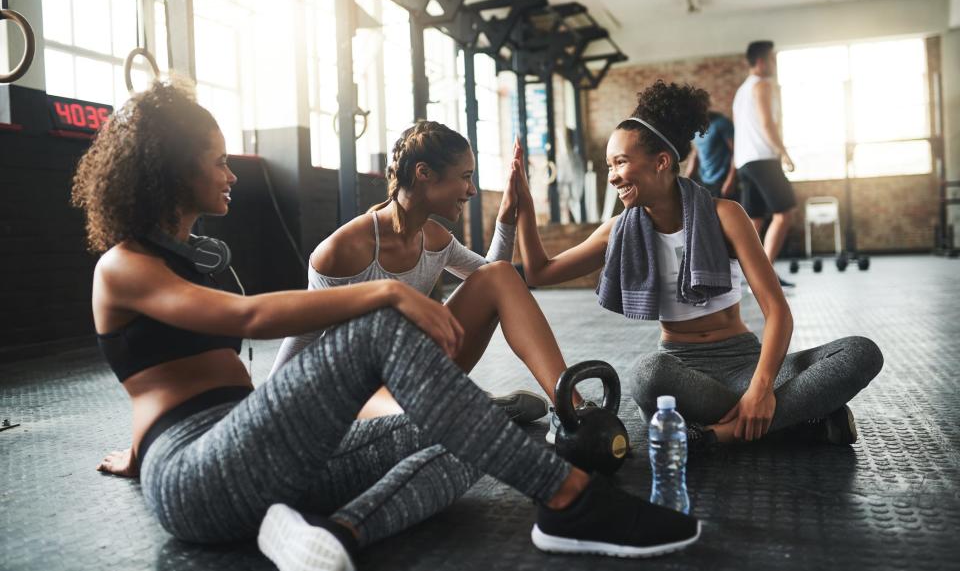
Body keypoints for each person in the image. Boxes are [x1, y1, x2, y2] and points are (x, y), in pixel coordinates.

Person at [76, 79, 699, 569]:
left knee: (467, 435)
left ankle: (338, 533)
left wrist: (136, 447)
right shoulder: (122, 266)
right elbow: (251, 317)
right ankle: (569, 499)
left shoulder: (197, 259)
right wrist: (387, 297)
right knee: (378, 323)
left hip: (264, 453)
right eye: (215, 161)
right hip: (197, 475)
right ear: (171, 169)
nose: (230, 172)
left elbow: (155, 375)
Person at [513, 79, 883, 453]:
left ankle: (712, 437)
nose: (612, 176)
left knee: (860, 352)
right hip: (681, 371)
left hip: (745, 364)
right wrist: (525, 209)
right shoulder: (617, 232)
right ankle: (796, 424)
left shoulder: (725, 216)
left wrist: (761, 387)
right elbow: (541, 272)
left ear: (661, 162)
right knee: (646, 375)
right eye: (609, 165)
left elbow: (778, 313)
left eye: (621, 162)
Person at [271, 121, 579, 422]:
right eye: (465, 177)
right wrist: (263, 413)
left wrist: (507, 214)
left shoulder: (435, 239)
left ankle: (573, 408)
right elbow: (301, 336)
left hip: (417, 373)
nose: (471, 190)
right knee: (415, 423)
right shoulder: (343, 250)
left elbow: (498, 281)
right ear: (424, 174)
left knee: (500, 275)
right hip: (362, 394)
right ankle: (464, 405)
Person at [732, 40, 797, 287]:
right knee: (784, 213)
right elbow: (767, 123)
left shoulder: (741, 92)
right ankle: (765, 275)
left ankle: (745, 274)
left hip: (745, 162)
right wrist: (784, 152)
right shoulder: (761, 85)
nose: (774, 64)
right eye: (772, 59)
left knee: (754, 219)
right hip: (762, 158)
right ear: (760, 62)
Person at [685, 110, 737, 201]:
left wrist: (731, 180)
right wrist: (686, 178)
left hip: (722, 180)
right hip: (704, 180)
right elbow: (696, 153)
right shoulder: (695, 129)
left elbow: (736, 151)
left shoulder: (721, 123)